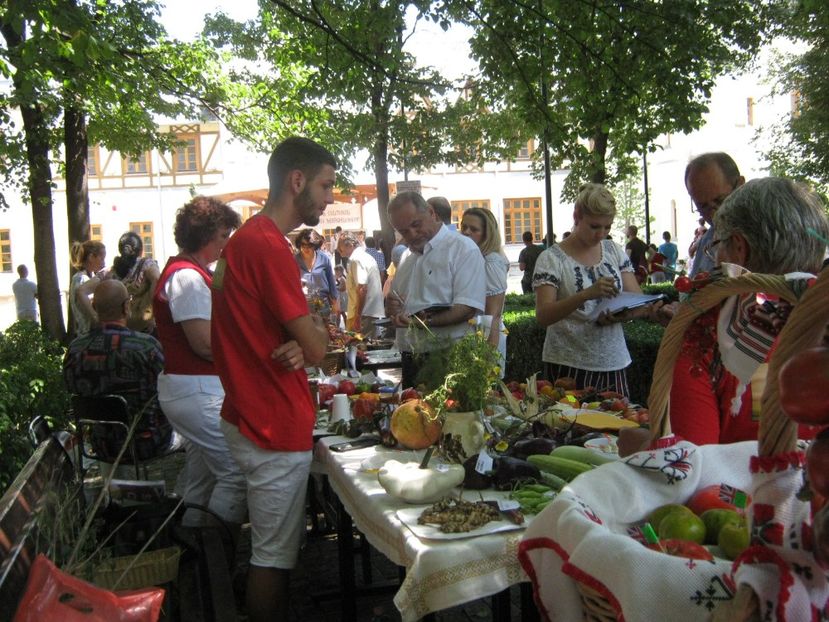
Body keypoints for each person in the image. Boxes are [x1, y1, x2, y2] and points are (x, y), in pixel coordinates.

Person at [211, 136, 333, 622]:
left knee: (271, 553)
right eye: (325, 185)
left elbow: (262, 333)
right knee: (273, 559)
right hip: (270, 422)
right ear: (296, 180)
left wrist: (299, 345)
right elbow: (322, 347)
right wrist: (310, 340)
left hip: (249, 411)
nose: (329, 197)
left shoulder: (245, 240)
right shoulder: (268, 246)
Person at [669, 177, 829, 445]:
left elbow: (695, 461)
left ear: (739, 248)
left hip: (744, 484)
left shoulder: (708, 334)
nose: (715, 256)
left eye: (717, 244)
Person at [152, 196, 247, 532]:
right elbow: (204, 344)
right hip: (196, 391)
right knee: (236, 472)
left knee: (202, 478)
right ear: (206, 236)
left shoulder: (191, 273)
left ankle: (193, 551)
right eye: (224, 235)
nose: (227, 242)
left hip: (194, 389)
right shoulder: (187, 278)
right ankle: (214, 557)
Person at [533, 183, 659, 396]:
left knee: (617, 424)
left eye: (607, 227)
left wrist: (621, 315)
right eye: (594, 226)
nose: (601, 234)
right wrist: (586, 294)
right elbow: (543, 315)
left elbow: (638, 300)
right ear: (577, 216)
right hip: (569, 363)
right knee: (572, 426)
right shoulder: (552, 258)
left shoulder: (613, 250)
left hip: (613, 360)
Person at [63, 279, 173, 462]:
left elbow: (72, 390)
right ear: (126, 307)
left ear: (94, 307)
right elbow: (170, 388)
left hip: (100, 447)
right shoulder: (147, 347)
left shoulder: (75, 350)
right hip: (148, 444)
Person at [386, 191, 485, 389]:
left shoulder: (463, 249)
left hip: (450, 356)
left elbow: (467, 308)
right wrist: (392, 308)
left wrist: (422, 322)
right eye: (404, 231)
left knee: (453, 418)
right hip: (411, 357)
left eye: (416, 225)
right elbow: (397, 303)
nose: (412, 235)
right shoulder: (406, 257)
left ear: (431, 213)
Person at [460, 207, 509, 370]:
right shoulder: (473, 257)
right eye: (464, 227)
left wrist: (486, 358)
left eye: (474, 229)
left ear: (487, 234)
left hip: (485, 340)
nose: (466, 232)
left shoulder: (491, 261)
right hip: (471, 337)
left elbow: (492, 315)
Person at [685, 152, 744, 277]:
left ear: (740, 185)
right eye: (703, 207)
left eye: (720, 201)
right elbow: (694, 290)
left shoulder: (769, 234)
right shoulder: (707, 240)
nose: (714, 215)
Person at [109, 231, 160, 334]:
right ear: (140, 250)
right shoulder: (146, 263)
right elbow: (157, 279)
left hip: (123, 327)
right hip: (144, 326)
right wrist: (151, 313)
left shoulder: (114, 270)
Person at [337, 231, 384, 337]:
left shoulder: (356, 259)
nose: (339, 251)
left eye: (340, 248)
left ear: (349, 245)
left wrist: (357, 316)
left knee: (360, 348)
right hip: (368, 311)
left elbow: (362, 289)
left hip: (364, 313)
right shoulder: (364, 257)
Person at [294, 228, 339, 321]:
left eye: (309, 245)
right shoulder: (294, 261)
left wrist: (335, 303)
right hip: (303, 305)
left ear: (315, 245)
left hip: (323, 304)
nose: (306, 248)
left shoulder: (324, 258)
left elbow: (331, 282)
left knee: (326, 332)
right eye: (303, 245)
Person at [69, 240, 106, 337]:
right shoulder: (82, 279)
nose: (104, 263)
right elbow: (92, 307)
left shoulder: (85, 278)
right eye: (102, 258)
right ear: (91, 257)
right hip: (89, 336)